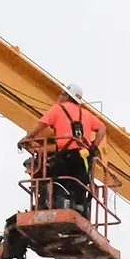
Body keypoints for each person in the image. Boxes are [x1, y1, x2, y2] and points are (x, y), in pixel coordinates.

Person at [20, 85, 105, 216]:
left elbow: (42, 124)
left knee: (45, 175)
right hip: (83, 157)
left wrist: (28, 138)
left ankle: (45, 205)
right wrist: (94, 145)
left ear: (68, 97)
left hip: (66, 155)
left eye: (62, 94)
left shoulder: (58, 109)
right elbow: (102, 128)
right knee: (80, 183)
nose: (59, 97)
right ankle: (79, 209)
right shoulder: (86, 114)